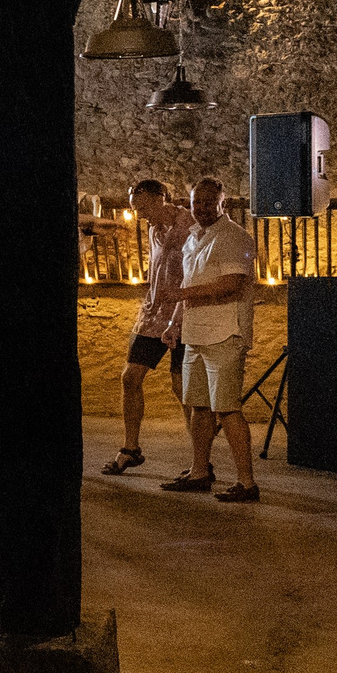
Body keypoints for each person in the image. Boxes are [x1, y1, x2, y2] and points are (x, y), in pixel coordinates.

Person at [159, 177, 261, 503]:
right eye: (195, 202)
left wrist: (182, 294)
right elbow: (189, 286)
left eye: (207, 202)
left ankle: (247, 482)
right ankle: (199, 472)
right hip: (196, 334)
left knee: (228, 409)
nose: (200, 208)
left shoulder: (234, 237)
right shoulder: (193, 238)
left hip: (225, 333)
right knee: (199, 407)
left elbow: (230, 284)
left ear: (223, 204)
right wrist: (175, 323)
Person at [106, 178, 193, 475]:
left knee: (182, 387)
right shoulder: (154, 230)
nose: (139, 214)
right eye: (135, 208)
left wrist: (178, 311)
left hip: (184, 315)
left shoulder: (190, 225)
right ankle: (131, 449)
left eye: (142, 207)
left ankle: (200, 460)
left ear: (160, 198)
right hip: (153, 315)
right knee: (130, 377)